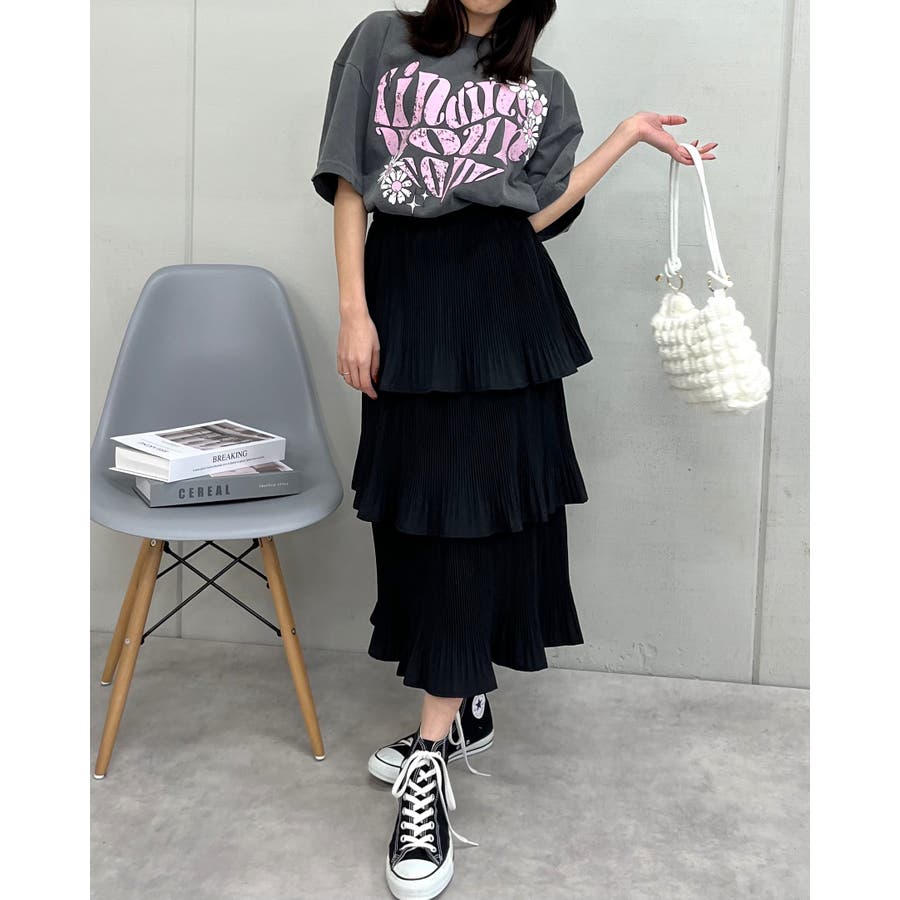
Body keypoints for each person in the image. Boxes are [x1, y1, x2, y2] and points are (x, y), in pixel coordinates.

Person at [311, 3, 717, 897]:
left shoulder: (545, 88)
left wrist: (621, 139)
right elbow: (350, 182)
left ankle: (431, 750)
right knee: (421, 517)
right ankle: (462, 705)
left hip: (504, 304)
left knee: (478, 513)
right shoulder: (382, 40)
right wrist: (353, 309)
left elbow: (529, 213)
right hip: (406, 294)